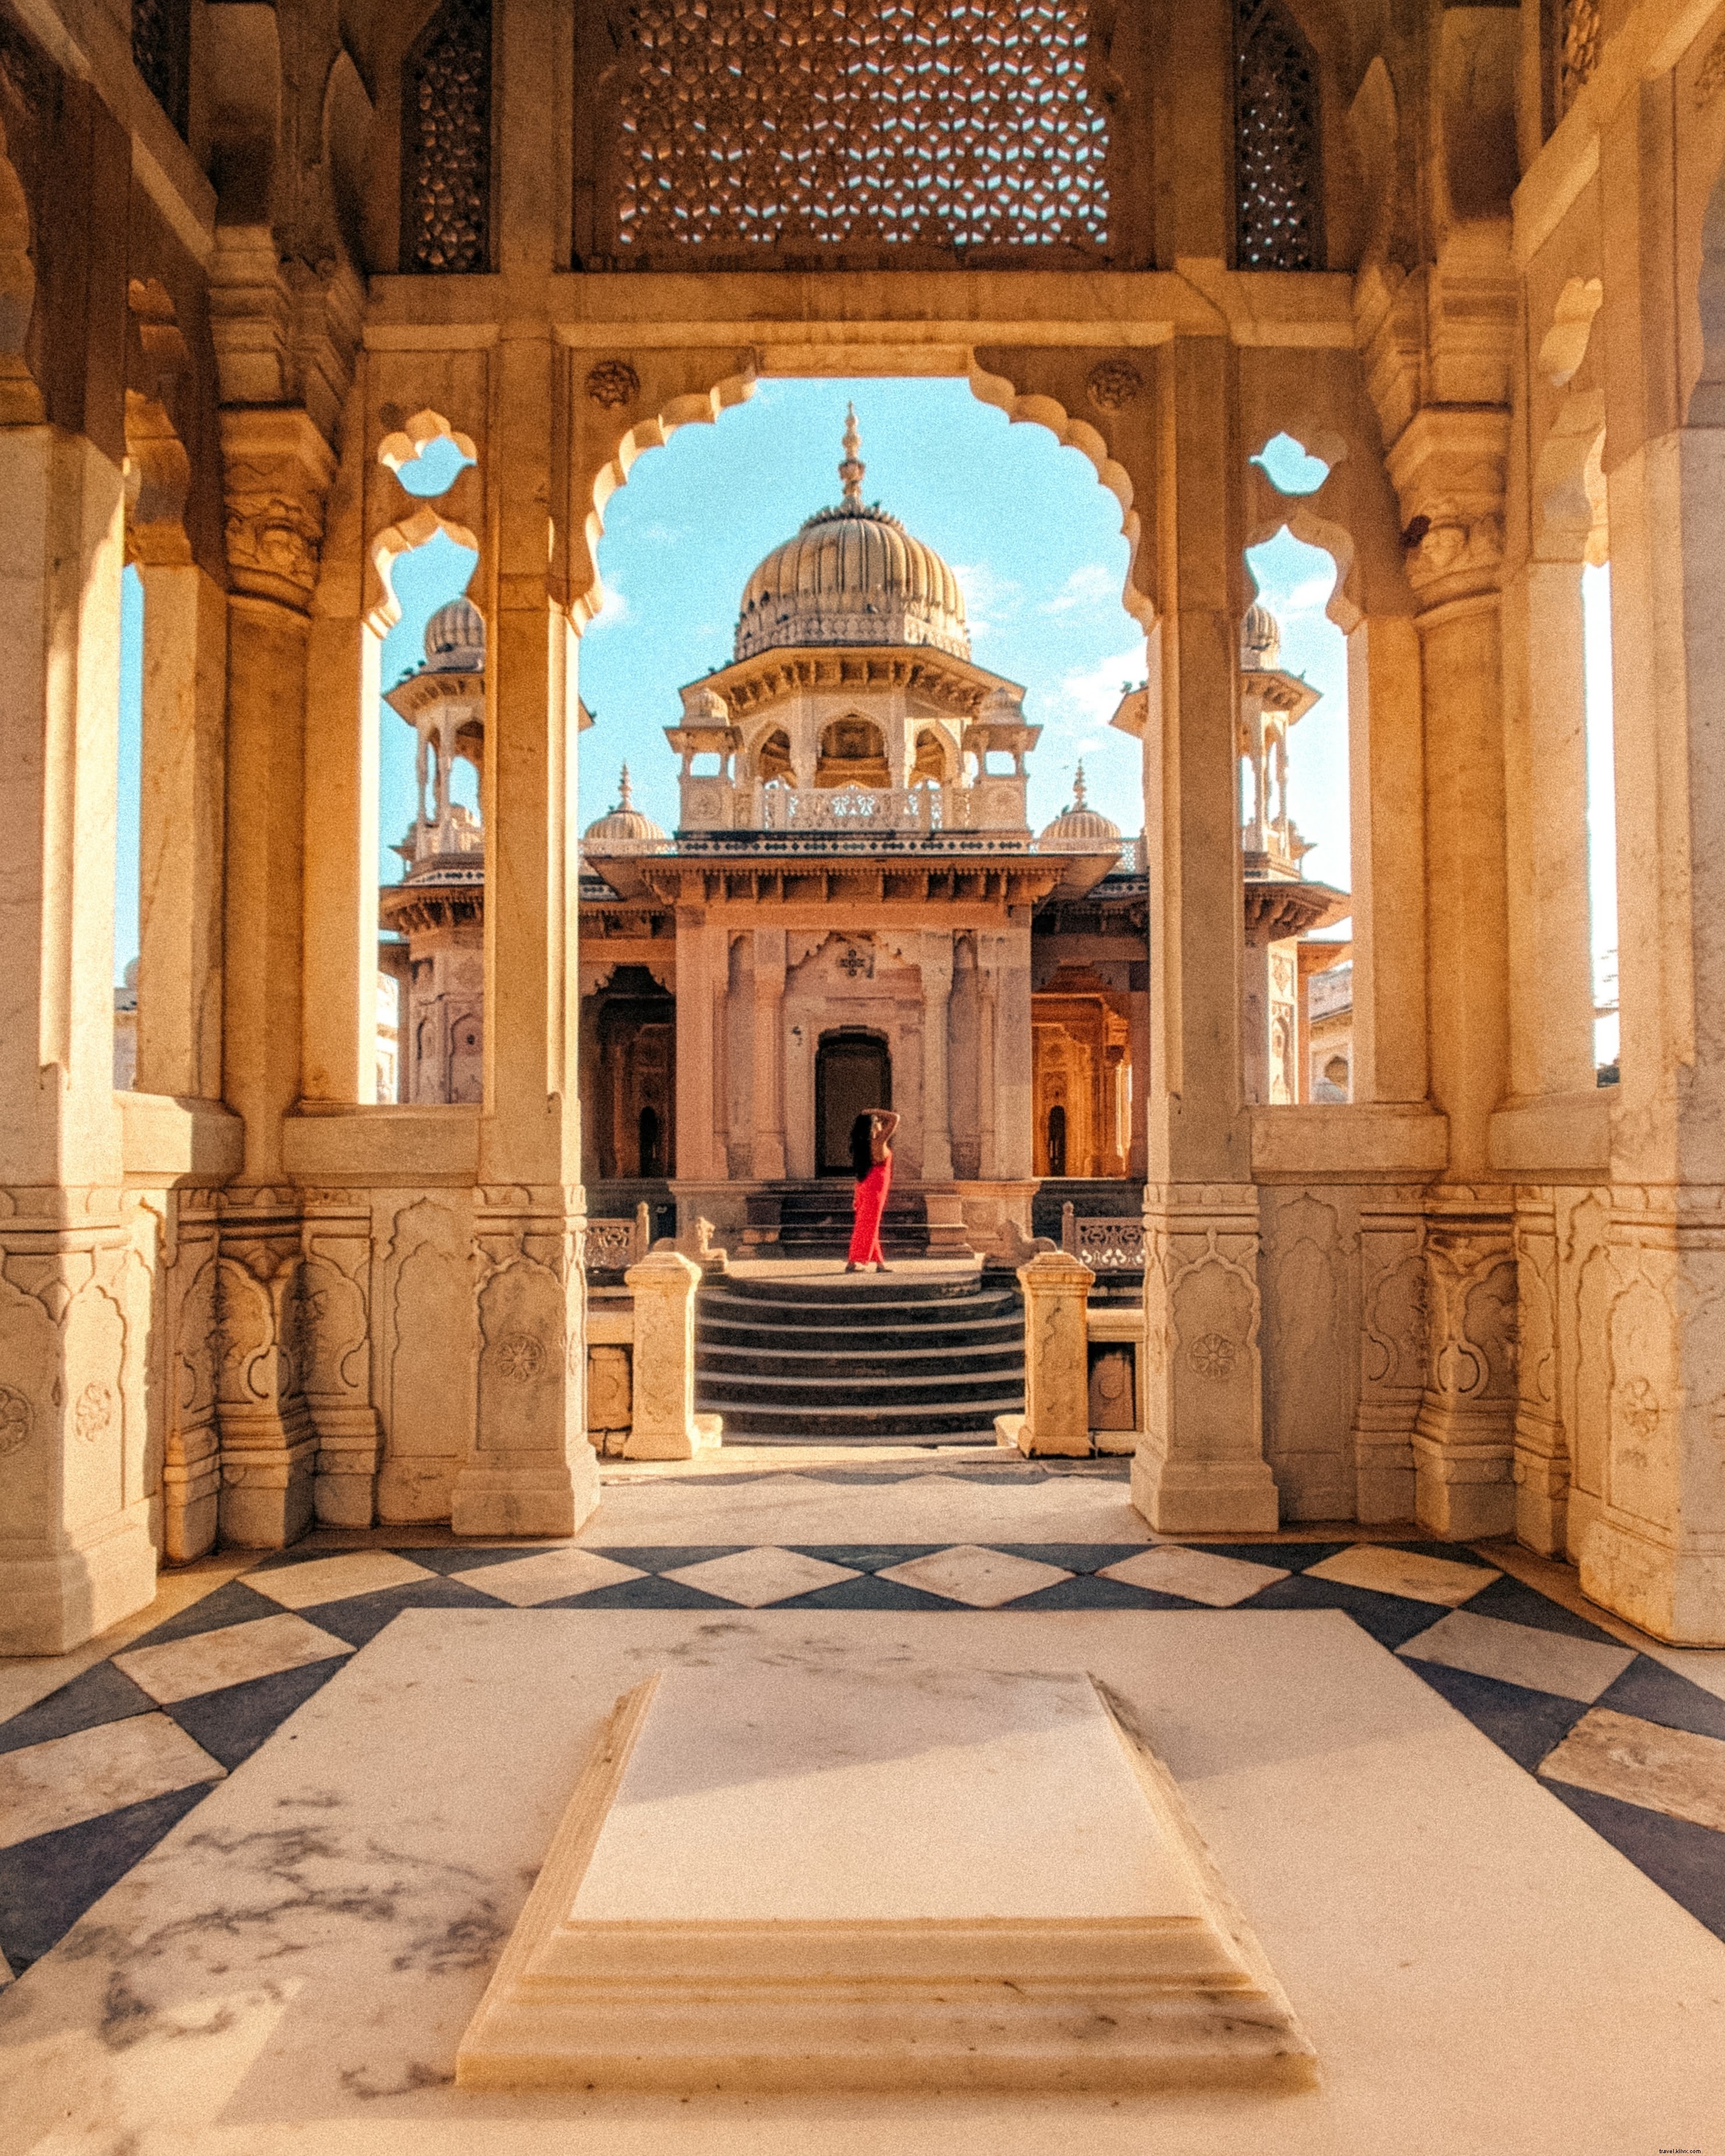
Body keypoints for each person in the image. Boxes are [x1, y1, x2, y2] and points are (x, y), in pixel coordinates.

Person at [846, 1108, 900, 1273]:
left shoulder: (863, 1145)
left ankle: (880, 1264)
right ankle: (852, 1261)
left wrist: (857, 1194)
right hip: (875, 1188)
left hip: (865, 1185)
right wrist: (872, 1111)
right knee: (869, 1225)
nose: (881, 1123)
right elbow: (895, 1118)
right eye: (878, 1121)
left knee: (869, 1223)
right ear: (872, 1126)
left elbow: (860, 1173)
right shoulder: (878, 1142)